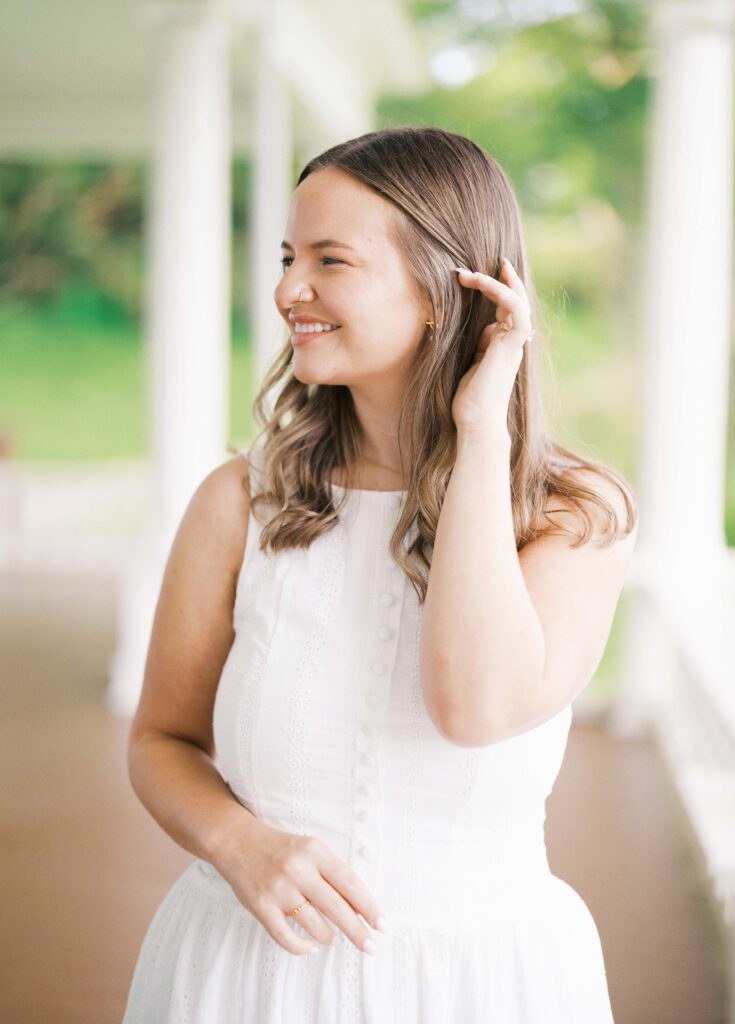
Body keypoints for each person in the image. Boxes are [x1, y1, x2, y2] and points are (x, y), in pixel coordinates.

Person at [122, 125, 638, 1022]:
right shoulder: (239, 501)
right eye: (288, 257)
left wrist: (480, 434)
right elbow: (160, 741)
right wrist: (238, 843)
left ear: (443, 290)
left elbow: (472, 708)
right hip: (248, 972)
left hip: (479, 985)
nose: (288, 290)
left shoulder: (572, 516)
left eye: (330, 260)